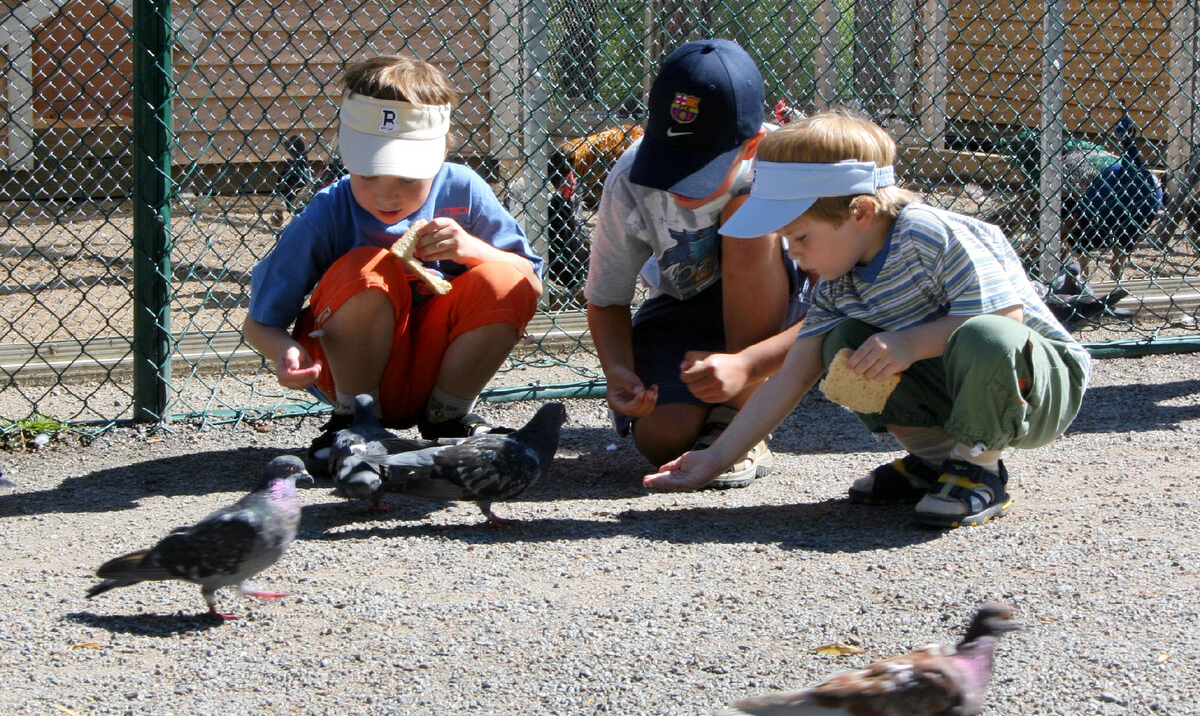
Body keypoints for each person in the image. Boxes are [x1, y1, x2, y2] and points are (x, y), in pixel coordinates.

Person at [645, 109, 1090, 528]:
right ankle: (938, 461)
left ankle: (979, 469)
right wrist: (716, 457)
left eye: (799, 237)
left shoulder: (926, 233)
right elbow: (791, 377)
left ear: (860, 213)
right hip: (962, 381)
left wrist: (909, 344)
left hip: (1040, 386)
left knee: (987, 334)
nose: (792, 253)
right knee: (841, 340)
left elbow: (1006, 317)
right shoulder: (837, 280)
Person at [243, 55, 543, 472]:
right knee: (368, 266)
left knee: (502, 275)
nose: (386, 197)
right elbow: (258, 323)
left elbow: (527, 280)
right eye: (368, 175)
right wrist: (287, 353)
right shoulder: (331, 208)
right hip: (349, 375)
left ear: (442, 154)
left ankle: (448, 418)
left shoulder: (465, 190)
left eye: (406, 177)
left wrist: (475, 251)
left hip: (434, 371)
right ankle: (354, 423)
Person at [585, 39, 811, 488]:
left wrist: (747, 365)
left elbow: (838, 311)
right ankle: (718, 416)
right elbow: (606, 299)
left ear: (752, 146)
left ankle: (738, 420)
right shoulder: (630, 177)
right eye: (669, 161)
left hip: (784, 310)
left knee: (744, 214)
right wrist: (618, 371)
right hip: (685, 306)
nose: (679, 184)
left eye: (701, 166)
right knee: (663, 440)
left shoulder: (791, 167)